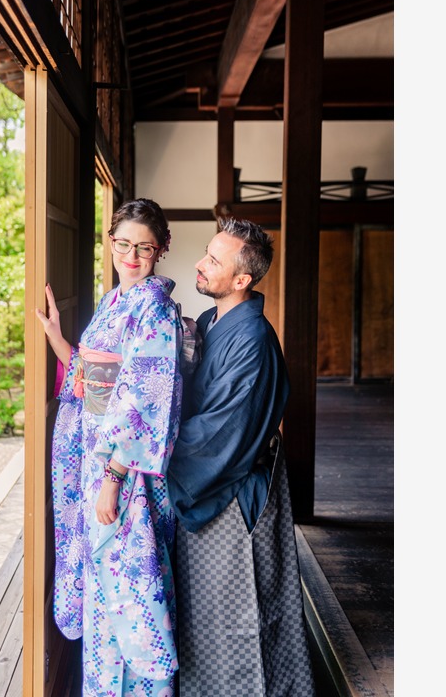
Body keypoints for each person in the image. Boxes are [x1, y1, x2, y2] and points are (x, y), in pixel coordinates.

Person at [35, 198, 183, 697]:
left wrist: (114, 480)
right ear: (111, 244)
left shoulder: (155, 309)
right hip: (98, 460)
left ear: (162, 249)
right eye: (124, 245)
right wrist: (57, 337)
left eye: (145, 247)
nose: (133, 256)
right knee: (105, 588)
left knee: (131, 591)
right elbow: (88, 376)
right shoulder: (115, 301)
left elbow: (146, 396)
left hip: (124, 470)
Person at [167, 217, 315, 697]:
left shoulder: (252, 341)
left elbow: (223, 432)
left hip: (231, 492)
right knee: (207, 613)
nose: (200, 264)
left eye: (213, 259)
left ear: (241, 280)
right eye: (206, 253)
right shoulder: (213, 321)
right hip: (214, 481)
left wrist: (155, 458)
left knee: (239, 609)